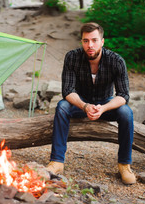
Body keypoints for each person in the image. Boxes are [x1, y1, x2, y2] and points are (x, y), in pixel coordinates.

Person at [46, 22, 136, 185]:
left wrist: (104, 108)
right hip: (80, 102)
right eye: (86, 41)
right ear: (82, 42)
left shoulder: (116, 61)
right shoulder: (72, 57)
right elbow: (67, 91)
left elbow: (123, 95)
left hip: (106, 103)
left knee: (126, 113)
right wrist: (85, 106)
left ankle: (124, 164)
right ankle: (57, 162)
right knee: (62, 107)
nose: (90, 45)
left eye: (94, 40)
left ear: (102, 41)